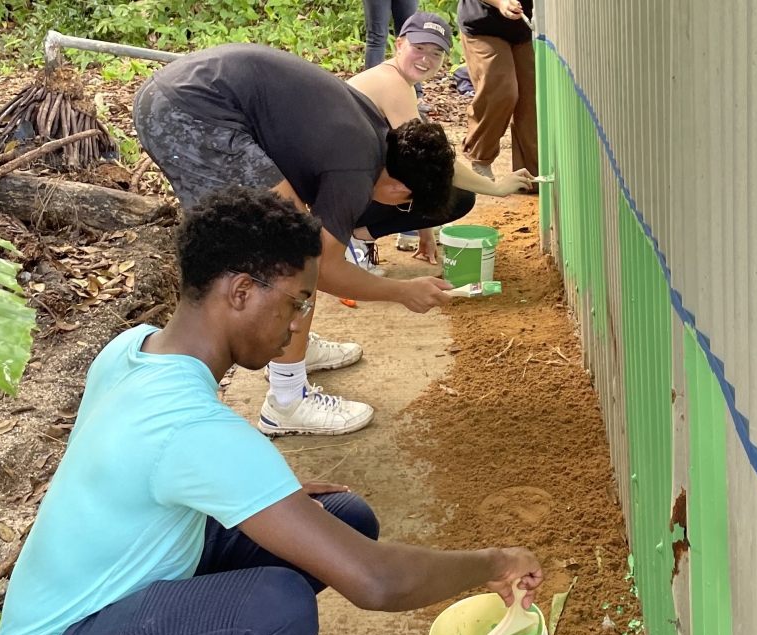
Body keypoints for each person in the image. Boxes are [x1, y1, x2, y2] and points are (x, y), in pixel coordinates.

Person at [0, 187, 544, 635]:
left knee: (343, 517)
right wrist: (496, 562)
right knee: (272, 612)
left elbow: (123, 470)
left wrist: (263, 495)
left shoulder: (132, 348)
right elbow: (377, 583)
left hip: (123, 591)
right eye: (297, 303)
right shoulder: (192, 427)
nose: (301, 322)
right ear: (239, 293)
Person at [132, 43, 457, 437]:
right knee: (295, 256)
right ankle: (287, 400)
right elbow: (322, 269)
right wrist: (402, 291)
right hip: (190, 111)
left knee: (291, 241)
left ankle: (286, 340)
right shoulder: (356, 169)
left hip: (186, 94)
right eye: (406, 204)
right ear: (402, 188)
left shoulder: (375, 128)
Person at [347, 11, 534, 266]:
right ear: (400, 44)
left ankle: (363, 233)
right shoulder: (392, 85)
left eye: (436, 52)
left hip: (341, 186)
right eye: (419, 47)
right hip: (335, 195)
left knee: (428, 180)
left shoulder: (398, 82)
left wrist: (425, 232)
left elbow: (413, 160)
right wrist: (496, 188)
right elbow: (431, 163)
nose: (426, 58)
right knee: (457, 195)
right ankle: (356, 237)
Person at [457, 0, 537, 181]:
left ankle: (532, 174)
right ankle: (481, 156)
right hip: (484, 25)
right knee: (502, 91)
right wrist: (500, 2)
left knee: (531, 100)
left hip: (528, 28)